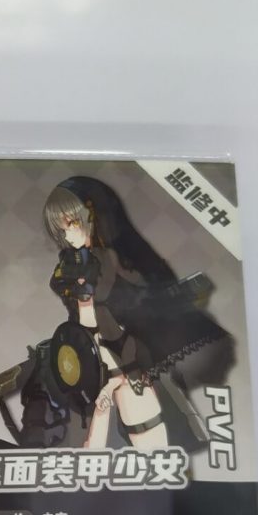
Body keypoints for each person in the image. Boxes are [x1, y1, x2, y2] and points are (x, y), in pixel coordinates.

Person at [41, 176, 232, 451]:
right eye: (62, 229)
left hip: (124, 358)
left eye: (71, 223)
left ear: (92, 215)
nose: (68, 235)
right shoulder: (71, 264)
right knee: (92, 437)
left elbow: (138, 298)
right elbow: (83, 317)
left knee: (144, 428)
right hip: (89, 359)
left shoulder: (114, 259)